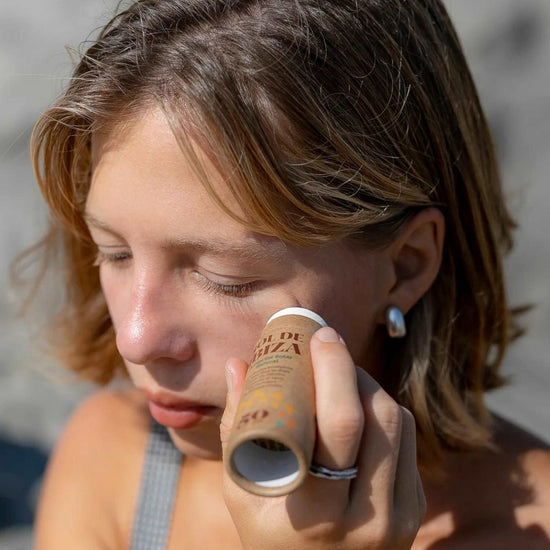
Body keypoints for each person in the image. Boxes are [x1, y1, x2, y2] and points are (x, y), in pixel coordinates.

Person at [25, 0, 550, 548]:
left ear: (405, 265)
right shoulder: (113, 466)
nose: (136, 340)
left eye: (225, 277)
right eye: (114, 253)